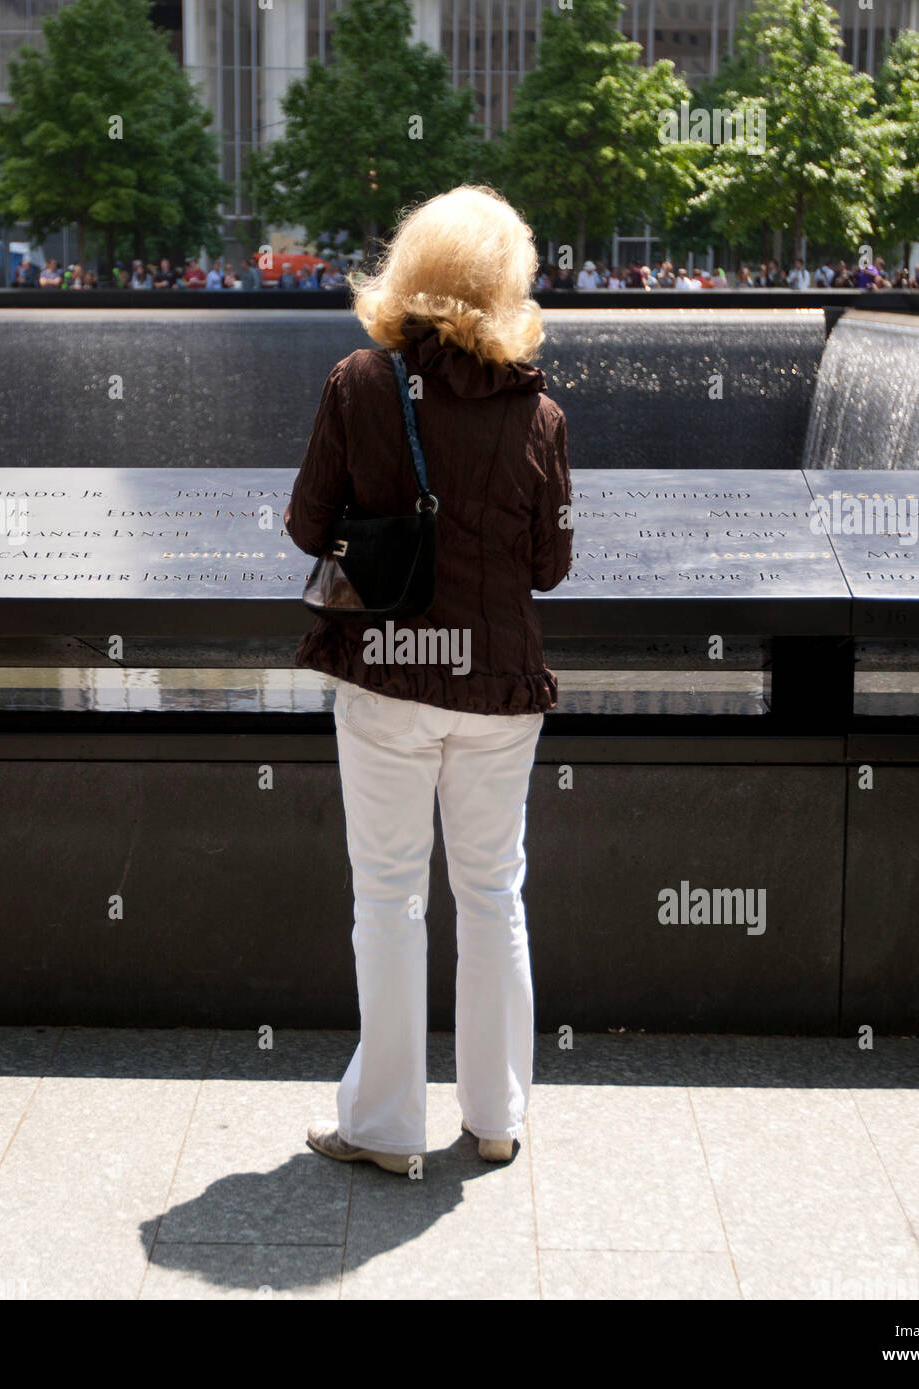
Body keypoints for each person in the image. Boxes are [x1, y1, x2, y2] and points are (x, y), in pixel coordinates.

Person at [285, 184, 571, 1175]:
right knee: (494, 894)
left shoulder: (359, 384)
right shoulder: (540, 415)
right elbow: (549, 568)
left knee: (389, 898)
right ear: (507, 288)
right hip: (497, 688)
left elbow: (303, 526)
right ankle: (494, 1118)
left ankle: (385, 1128)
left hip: (387, 680)